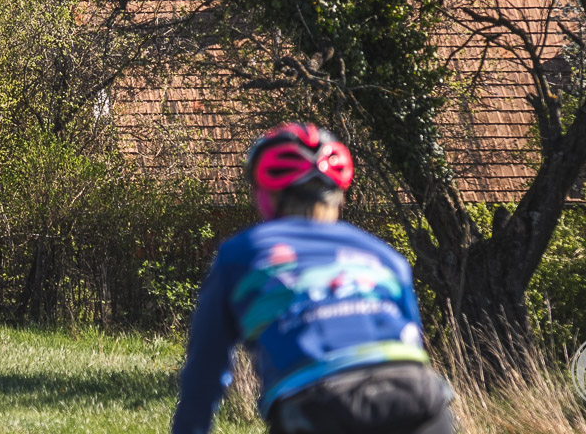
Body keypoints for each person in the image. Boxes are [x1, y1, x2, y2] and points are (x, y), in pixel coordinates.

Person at [172, 123, 455, 434]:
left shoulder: (242, 254)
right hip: (419, 395)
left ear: (265, 196)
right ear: (340, 196)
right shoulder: (386, 257)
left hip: (319, 402)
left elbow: (206, 369)